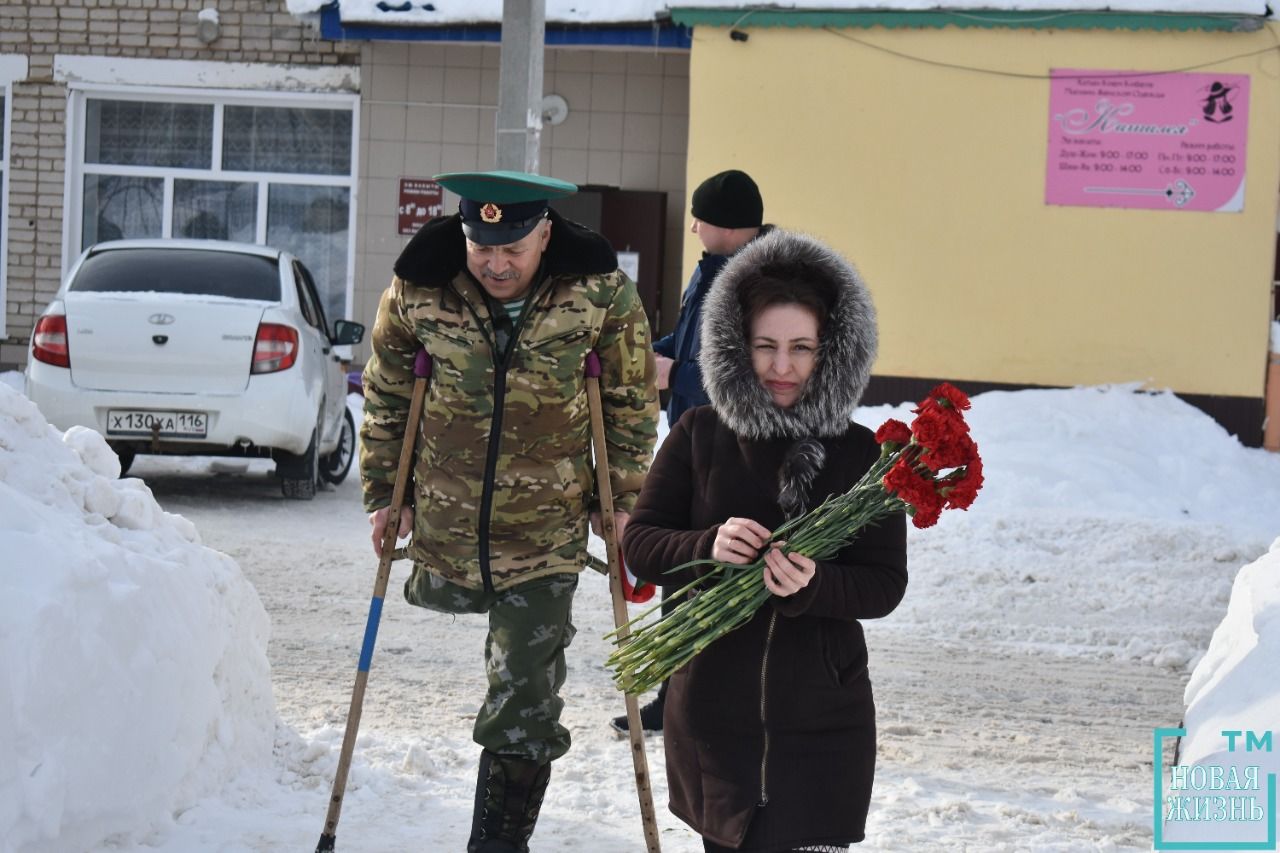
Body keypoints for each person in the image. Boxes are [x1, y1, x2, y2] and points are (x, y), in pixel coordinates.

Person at [360, 169, 658, 853]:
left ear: (545, 233)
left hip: (545, 529)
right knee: (508, 682)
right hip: (446, 518)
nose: (495, 263)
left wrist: (623, 503)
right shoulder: (419, 288)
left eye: (512, 248)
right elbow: (387, 393)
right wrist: (386, 494)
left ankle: (496, 845)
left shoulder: (600, 294)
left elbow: (629, 402)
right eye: (480, 245)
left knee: (526, 696)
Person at [622, 230, 908, 852]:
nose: (782, 367)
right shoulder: (700, 433)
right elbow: (640, 545)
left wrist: (816, 584)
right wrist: (705, 546)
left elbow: (885, 584)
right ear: (735, 348)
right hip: (713, 722)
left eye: (802, 348)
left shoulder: (862, 453)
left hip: (824, 725)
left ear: (831, 352)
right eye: (766, 347)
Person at [611, 168, 772, 736]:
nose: (693, 224)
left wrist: (674, 372)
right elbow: (686, 344)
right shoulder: (712, 273)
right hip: (692, 439)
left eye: (699, 215)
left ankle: (699, 697)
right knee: (685, 568)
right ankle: (674, 693)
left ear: (722, 224)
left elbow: (741, 374)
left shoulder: (753, 283)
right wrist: (637, 349)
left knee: (706, 572)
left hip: (729, 450)